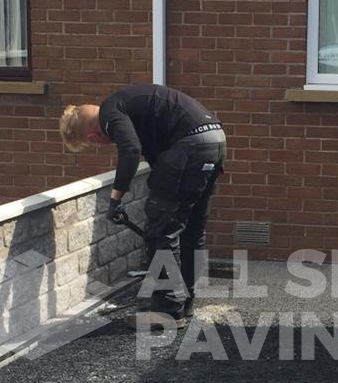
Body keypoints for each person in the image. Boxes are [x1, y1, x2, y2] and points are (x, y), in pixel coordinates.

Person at [59, 84, 225, 323]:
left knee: (160, 233)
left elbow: (130, 150)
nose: (98, 143)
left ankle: (167, 311)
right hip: (215, 142)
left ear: (92, 135)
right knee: (191, 231)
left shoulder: (110, 112)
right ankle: (184, 301)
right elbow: (155, 154)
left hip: (191, 147)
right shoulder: (131, 105)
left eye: (91, 143)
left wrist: (115, 199)